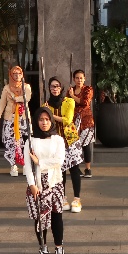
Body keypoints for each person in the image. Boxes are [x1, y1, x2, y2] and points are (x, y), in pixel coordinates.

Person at [25, 106, 68, 254]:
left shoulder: (58, 140)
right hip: (37, 183)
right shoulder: (31, 141)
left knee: (57, 215)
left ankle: (59, 246)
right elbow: (27, 166)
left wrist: (40, 161)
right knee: (40, 217)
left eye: (47, 119)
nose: (44, 123)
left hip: (54, 181)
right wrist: (32, 185)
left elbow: (59, 160)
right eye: (41, 119)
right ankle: (42, 246)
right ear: (36, 121)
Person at [45, 77, 84, 213]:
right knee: (60, 172)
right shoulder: (46, 105)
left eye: (57, 86)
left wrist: (50, 115)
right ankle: (63, 197)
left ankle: (77, 199)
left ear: (61, 88)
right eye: (52, 87)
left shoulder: (69, 101)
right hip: (56, 142)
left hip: (70, 141)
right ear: (49, 89)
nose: (55, 89)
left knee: (74, 170)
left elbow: (67, 120)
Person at [0, 64, 33, 177]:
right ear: (11, 75)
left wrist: (16, 98)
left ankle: (26, 165)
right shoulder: (6, 88)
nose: (17, 76)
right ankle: (13, 165)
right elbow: (2, 103)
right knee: (10, 143)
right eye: (14, 74)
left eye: (19, 73)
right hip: (9, 118)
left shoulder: (26, 87)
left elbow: (27, 98)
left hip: (23, 118)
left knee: (25, 143)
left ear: (22, 75)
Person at [68, 69, 95, 179]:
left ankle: (88, 169)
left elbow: (85, 102)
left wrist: (73, 96)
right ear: (74, 79)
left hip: (86, 121)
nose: (79, 80)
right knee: (75, 145)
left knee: (86, 145)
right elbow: (68, 103)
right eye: (77, 78)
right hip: (73, 120)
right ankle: (76, 168)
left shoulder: (88, 89)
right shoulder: (71, 90)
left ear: (84, 79)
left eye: (81, 78)